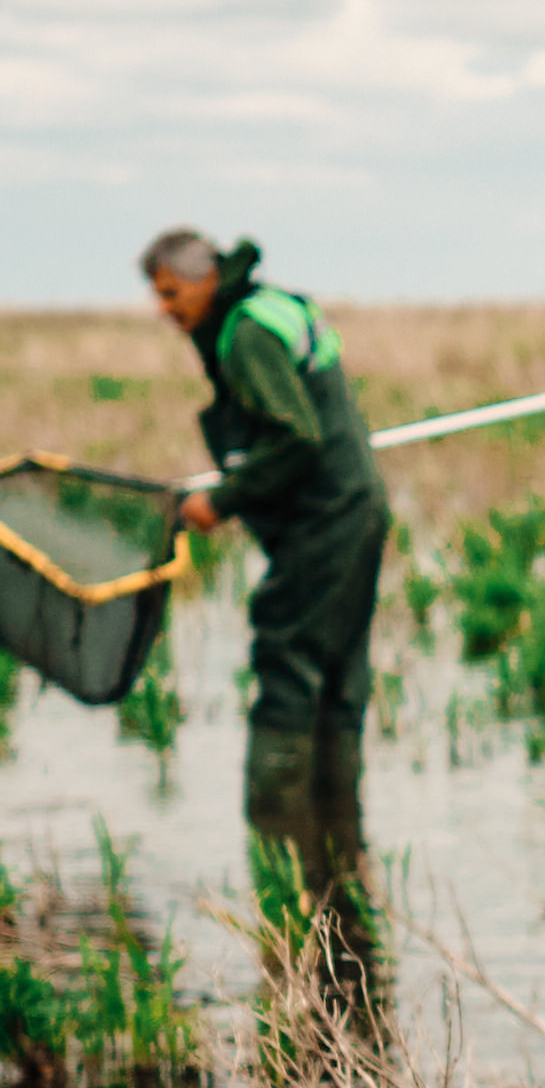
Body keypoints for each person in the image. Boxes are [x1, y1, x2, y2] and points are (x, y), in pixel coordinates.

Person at [144, 228, 391, 922]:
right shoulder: (269, 306)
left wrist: (218, 500)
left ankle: (282, 861)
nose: (163, 308)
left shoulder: (246, 334)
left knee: (289, 667)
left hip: (324, 524)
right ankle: (340, 865)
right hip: (358, 510)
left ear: (202, 279)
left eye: (170, 292)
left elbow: (295, 434)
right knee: (339, 678)